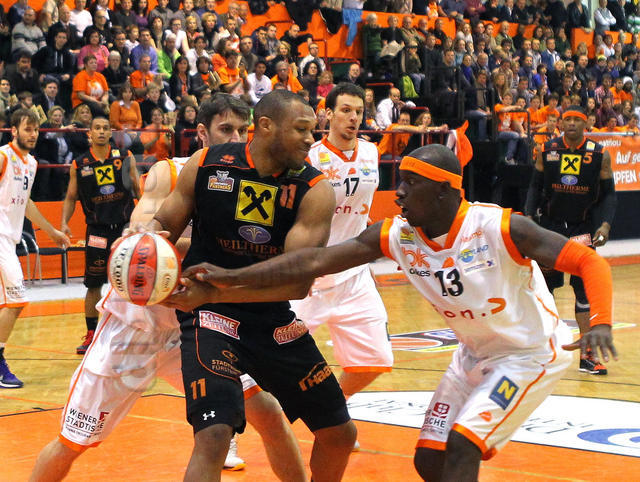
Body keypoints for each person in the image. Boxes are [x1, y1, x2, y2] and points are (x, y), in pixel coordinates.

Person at [177, 143, 618, 481]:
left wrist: (600, 322)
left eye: (411, 183)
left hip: (527, 356)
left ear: (444, 190)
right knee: (429, 459)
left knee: (463, 446)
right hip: (472, 355)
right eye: (399, 180)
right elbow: (312, 261)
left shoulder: (500, 226)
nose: (399, 191)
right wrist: (228, 278)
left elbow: (588, 261)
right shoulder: (396, 235)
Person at [29, 95, 307, 480]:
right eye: (226, 129)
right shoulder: (171, 172)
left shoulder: (257, 183)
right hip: (135, 329)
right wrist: (148, 236)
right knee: (72, 442)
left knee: (270, 414)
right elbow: (147, 228)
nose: (235, 138)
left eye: (242, 130)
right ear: (202, 133)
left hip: (195, 330)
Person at [153, 90, 357, 480]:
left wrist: (216, 290)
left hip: (271, 319)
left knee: (340, 434)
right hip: (210, 318)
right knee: (214, 434)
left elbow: (296, 284)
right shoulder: (206, 165)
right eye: (301, 130)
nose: (310, 139)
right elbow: (163, 225)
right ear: (266, 126)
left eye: (311, 131)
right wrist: (144, 241)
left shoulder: (314, 190)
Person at [293, 83, 393, 407]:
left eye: (359, 112)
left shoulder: (371, 152)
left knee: (376, 359)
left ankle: (332, 407)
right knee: (265, 362)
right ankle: (239, 427)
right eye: (346, 110)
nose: (353, 118)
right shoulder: (309, 157)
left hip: (353, 274)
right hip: (309, 277)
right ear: (328, 114)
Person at [525, 106, 617, 375]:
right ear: (561, 123)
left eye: (578, 120)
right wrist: (529, 217)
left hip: (582, 229)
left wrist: (605, 224)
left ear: (586, 124)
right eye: (568, 119)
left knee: (583, 291)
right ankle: (542, 351)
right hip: (549, 229)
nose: (573, 124)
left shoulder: (599, 154)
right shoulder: (547, 150)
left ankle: (587, 356)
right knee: (543, 291)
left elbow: (609, 194)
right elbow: (534, 186)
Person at [0, 109, 70, 388]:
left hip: (10, 238)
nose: (32, 134)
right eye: (27, 129)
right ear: (14, 130)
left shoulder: (30, 163)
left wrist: (52, 232)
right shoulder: (3, 156)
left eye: (36, 129)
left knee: (8, 303)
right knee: (16, 299)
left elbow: (27, 203)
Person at [61, 116, 140, 354]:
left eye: (106, 128)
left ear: (110, 133)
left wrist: (146, 216)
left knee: (131, 282)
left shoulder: (124, 157)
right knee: (94, 283)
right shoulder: (80, 164)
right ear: (90, 133)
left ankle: (133, 332)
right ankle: (91, 334)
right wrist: (63, 223)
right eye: (97, 128)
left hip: (125, 228)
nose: (102, 131)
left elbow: (138, 188)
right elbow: (70, 197)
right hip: (97, 231)